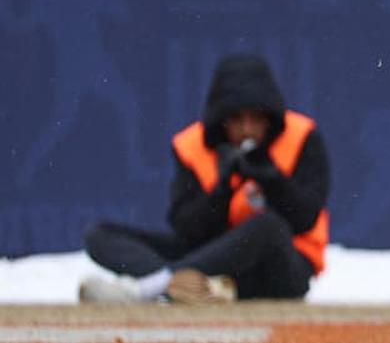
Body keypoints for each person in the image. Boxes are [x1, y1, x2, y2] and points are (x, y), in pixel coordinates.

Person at [79, 53, 330, 303]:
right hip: (211, 258)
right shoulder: (191, 145)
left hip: (280, 268)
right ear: (221, 120)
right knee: (101, 235)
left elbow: (305, 218)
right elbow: (187, 230)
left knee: (268, 226)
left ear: (270, 118)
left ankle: (152, 288)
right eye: (236, 119)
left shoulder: (302, 137)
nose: (247, 130)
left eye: (256, 119)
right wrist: (222, 190)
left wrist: (271, 179)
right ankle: (202, 289)